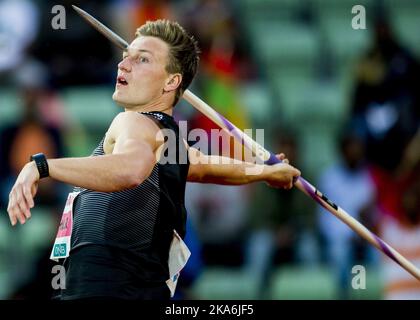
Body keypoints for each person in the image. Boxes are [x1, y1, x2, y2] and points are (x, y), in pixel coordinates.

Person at [6, 20, 301, 300]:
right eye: (125, 56)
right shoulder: (168, 141)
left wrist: (42, 166)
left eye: (142, 59)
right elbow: (207, 166)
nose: (123, 64)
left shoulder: (134, 124)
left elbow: (130, 169)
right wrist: (264, 172)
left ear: (171, 81)